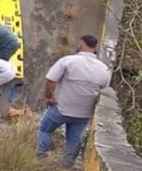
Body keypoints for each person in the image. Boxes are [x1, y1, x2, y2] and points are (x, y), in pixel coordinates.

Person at [36, 35, 111, 168]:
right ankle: (68, 165)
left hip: (61, 108)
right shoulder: (104, 69)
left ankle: (42, 160)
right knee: (75, 138)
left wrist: (49, 97)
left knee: (45, 129)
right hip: (83, 113)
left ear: (80, 44)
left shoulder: (68, 61)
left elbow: (51, 80)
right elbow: (104, 89)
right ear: (95, 48)